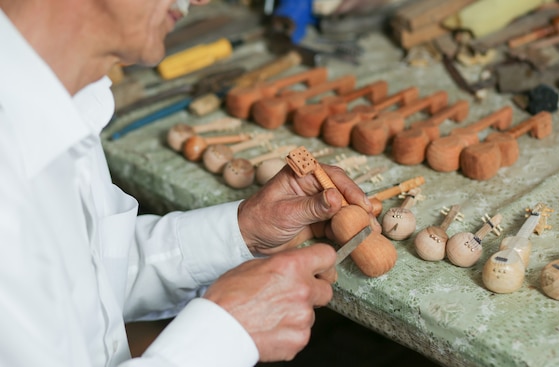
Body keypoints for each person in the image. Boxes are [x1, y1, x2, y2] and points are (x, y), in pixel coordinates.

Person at [0, 0, 379, 366]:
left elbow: (83, 273)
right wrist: (228, 332)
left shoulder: (62, 101)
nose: (202, 0)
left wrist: (244, 231)